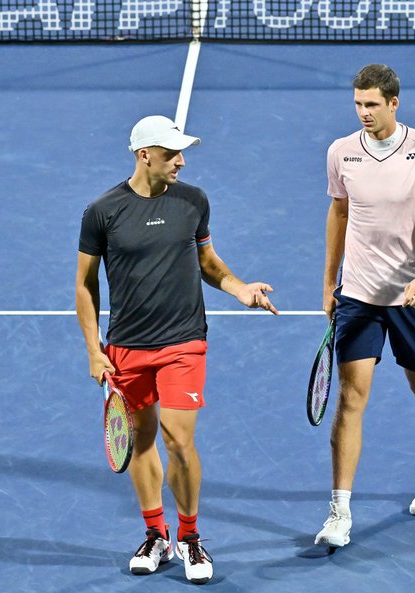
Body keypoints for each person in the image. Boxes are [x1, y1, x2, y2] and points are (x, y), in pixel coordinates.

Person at [76, 115, 279, 583]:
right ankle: (156, 534)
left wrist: (239, 287)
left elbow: (207, 262)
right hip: (126, 345)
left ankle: (189, 537)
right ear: (144, 155)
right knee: (142, 440)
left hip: (184, 341)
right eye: (171, 155)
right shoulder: (101, 212)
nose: (181, 162)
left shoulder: (194, 202)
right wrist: (93, 348)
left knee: (178, 439)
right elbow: (85, 286)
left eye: (182, 154)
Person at [314, 64, 415, 549]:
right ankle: (339, 509)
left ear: (394, 103)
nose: (363, 113)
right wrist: (330, 281)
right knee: (351, 399)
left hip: (414, 297)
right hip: (358, 296)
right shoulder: (341, 153)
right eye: (358, 104)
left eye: (372, 105)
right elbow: (338, 214)